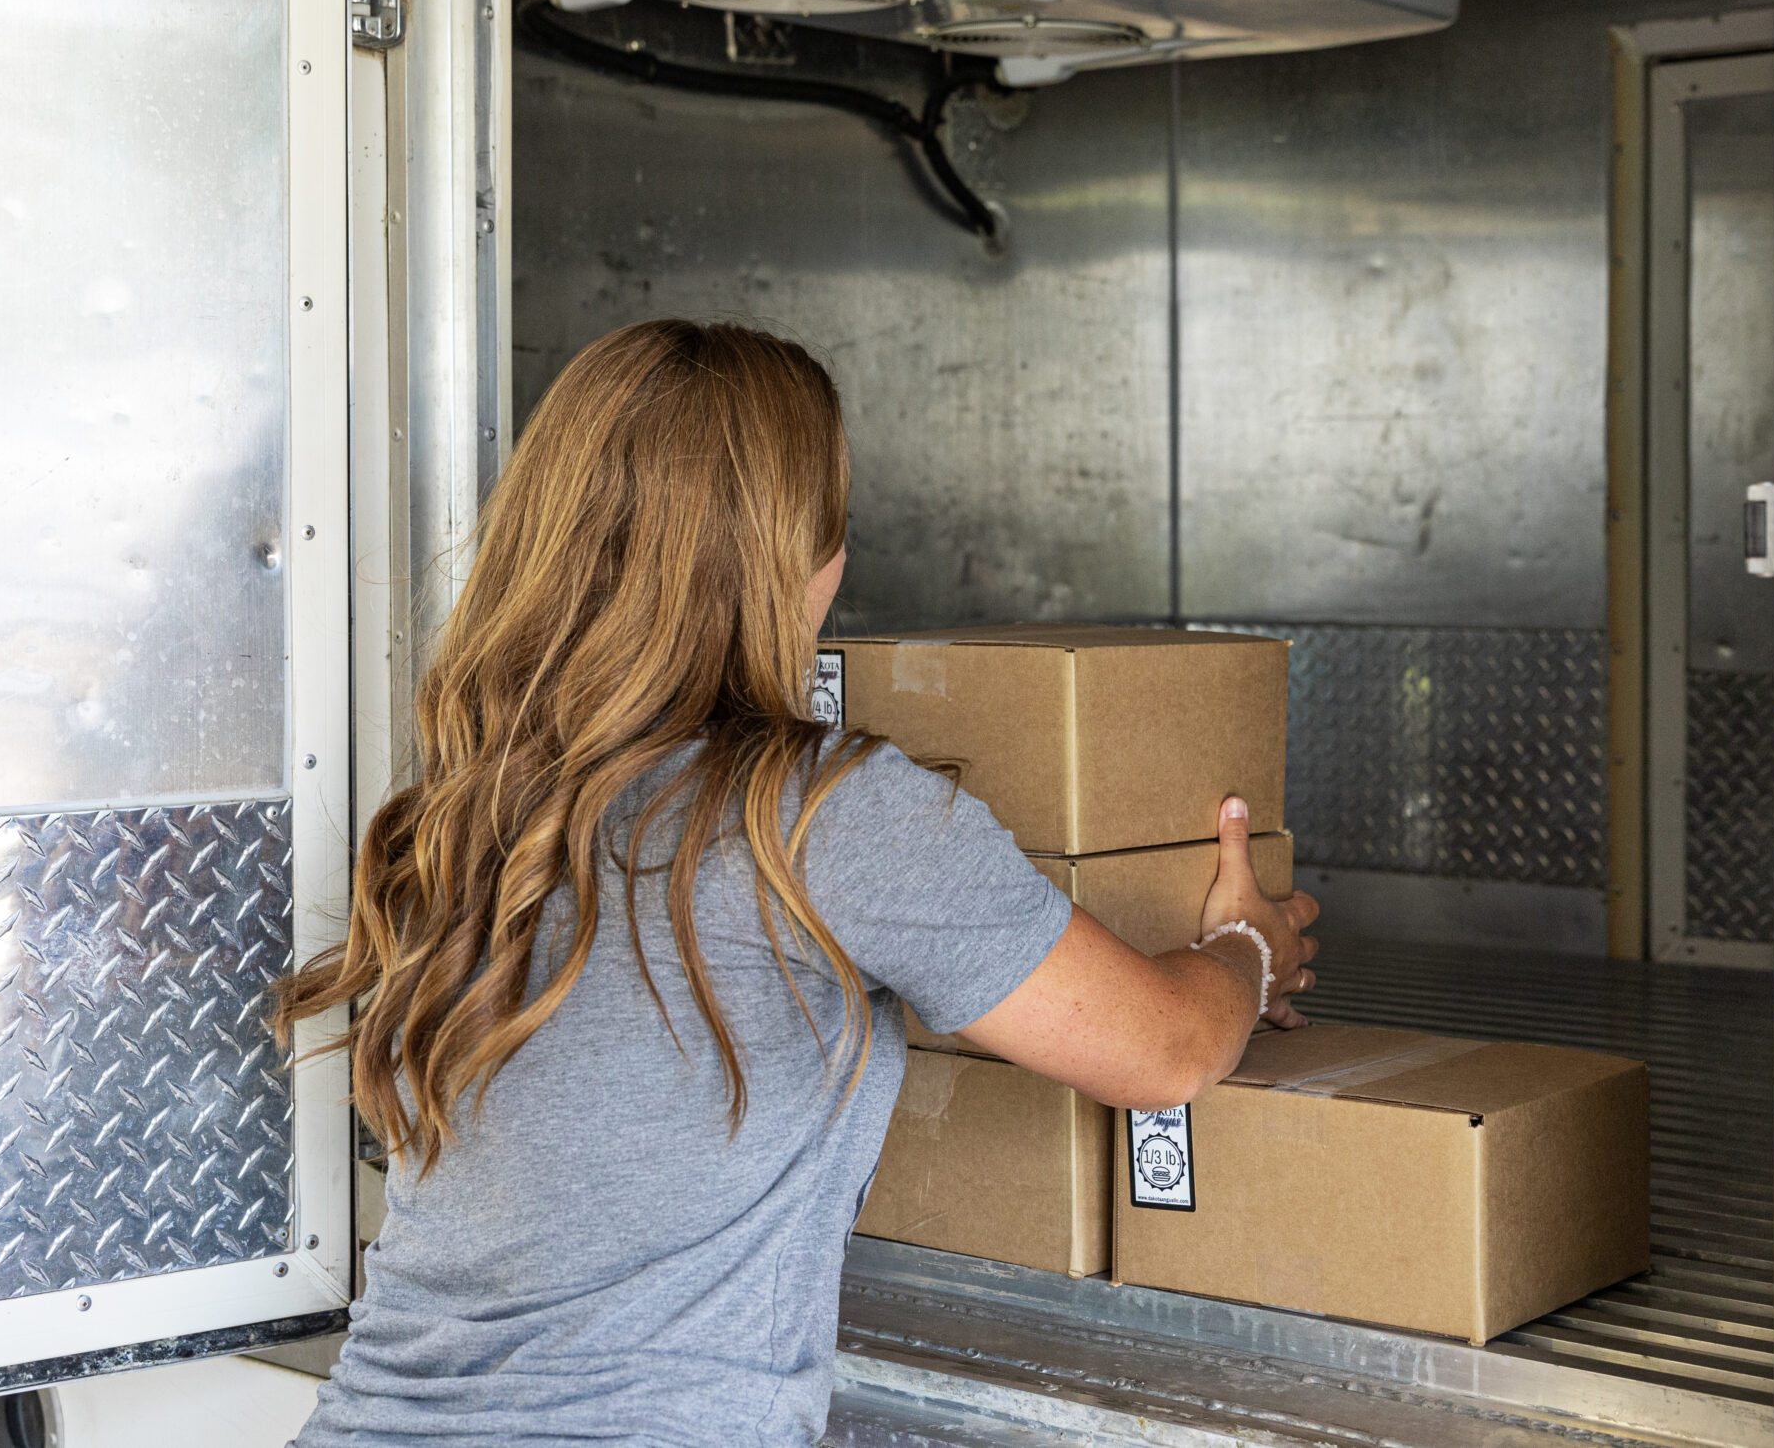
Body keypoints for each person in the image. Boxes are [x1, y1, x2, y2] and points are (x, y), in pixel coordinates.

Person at [277, 320, 1318, 1447]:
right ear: (799, 557)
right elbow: (1161, 1054)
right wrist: (1244, 951)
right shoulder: (821, 814)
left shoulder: (468, 804)